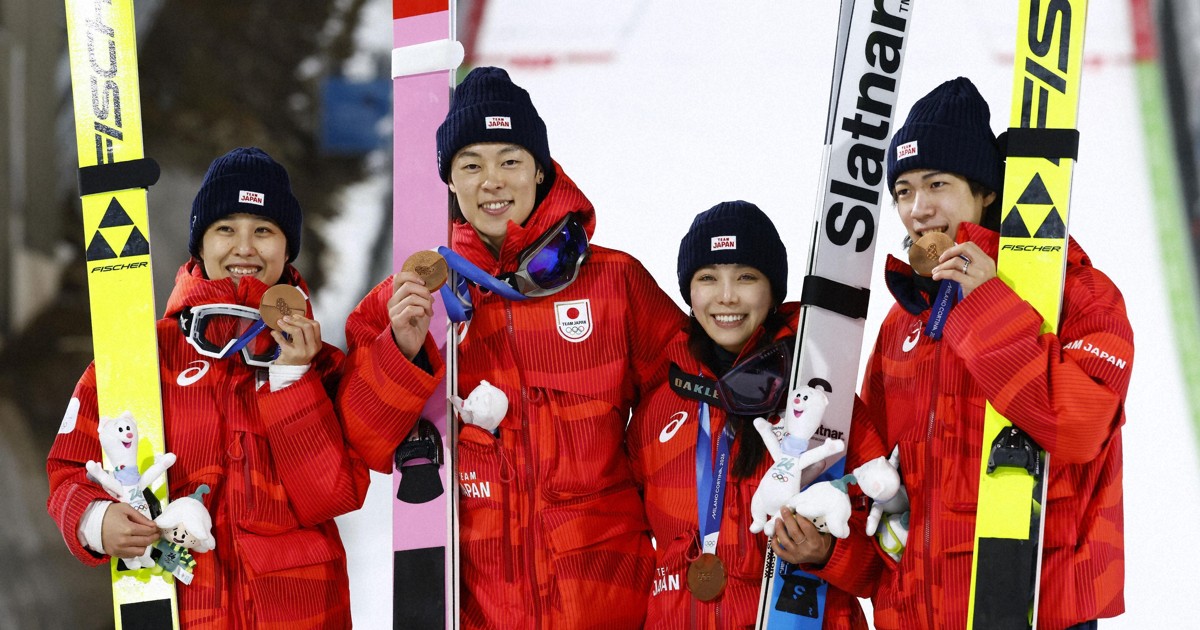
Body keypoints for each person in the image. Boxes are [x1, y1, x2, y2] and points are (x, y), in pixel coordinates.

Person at [337, 66, 686, 628]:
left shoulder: (613, 282)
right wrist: (402, 349)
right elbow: (365, 442)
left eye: (510, 160)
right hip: (480, 604)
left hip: (610, 600)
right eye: (471, 164)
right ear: (449, 180)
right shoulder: (411, 294)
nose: (491, 181)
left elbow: (688, 399)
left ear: (541, 170)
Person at [790, 77, 1131, 629]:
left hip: (1037, 612)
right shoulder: (903, 325)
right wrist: (829, 554)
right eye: (902, 191)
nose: (917, 208)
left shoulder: (1081, 295)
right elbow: (884, 512)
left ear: (986, 192)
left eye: (937, 184)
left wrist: (987, 304)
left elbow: (1077, 427)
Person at [47, 147, 369, 628]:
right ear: (199, 243)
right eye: (226, 229)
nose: (244, 247)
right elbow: (68, 469)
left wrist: (290, 379)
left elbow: (331, 495)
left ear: (287, 248)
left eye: (264, 230)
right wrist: (94, 521)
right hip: (182, 608)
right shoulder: (140, 355)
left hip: (303, 612)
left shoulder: (320, 363)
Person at [626, 200, 869, 629]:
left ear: (773, 290)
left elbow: (883, 566)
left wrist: (830, 554)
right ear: (688, 292)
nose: (726, 296)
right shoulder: (658, 407)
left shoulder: (821, 399)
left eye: (746, 277)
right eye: (707, 278)